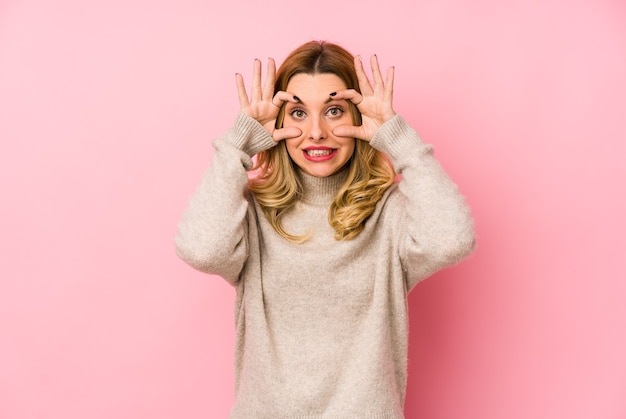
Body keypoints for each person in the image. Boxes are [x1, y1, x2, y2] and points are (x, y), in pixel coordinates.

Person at [175, 40, 475, 418]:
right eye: (298, 113)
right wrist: (237, 145)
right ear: (278, 124)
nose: (316, 132)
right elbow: (202, 249)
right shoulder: (250, 214)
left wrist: (400, 141)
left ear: (359, 118)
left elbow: (451, 240)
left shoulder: (390, 214)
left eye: (333, 111)